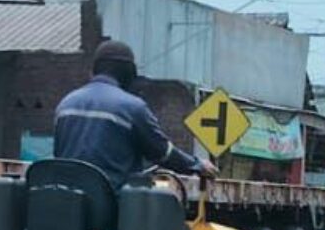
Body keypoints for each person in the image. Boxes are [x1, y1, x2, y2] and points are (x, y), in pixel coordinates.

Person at [52, 41, 216, 187]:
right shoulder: (132, 108)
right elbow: (162, 152)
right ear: (129, 75)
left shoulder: (65, 104)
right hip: (110, 208)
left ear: (92, 71)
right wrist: (197, 165)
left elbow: (59, 154)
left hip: (67, 206)